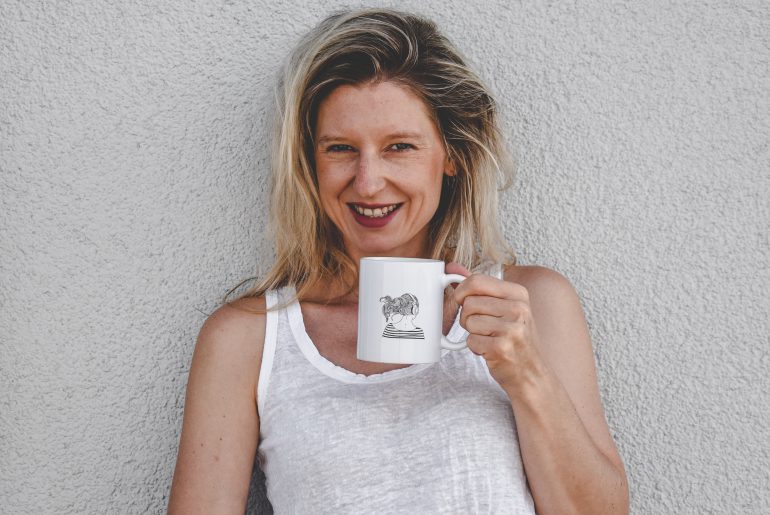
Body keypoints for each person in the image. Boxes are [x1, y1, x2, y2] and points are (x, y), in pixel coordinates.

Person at [168, 7, 629, 514]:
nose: (368, 182)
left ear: (451, 155)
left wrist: (527, 375)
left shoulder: (532, 305)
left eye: (399, 147)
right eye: (340, 149)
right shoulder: (249, 339)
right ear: (309, 162)